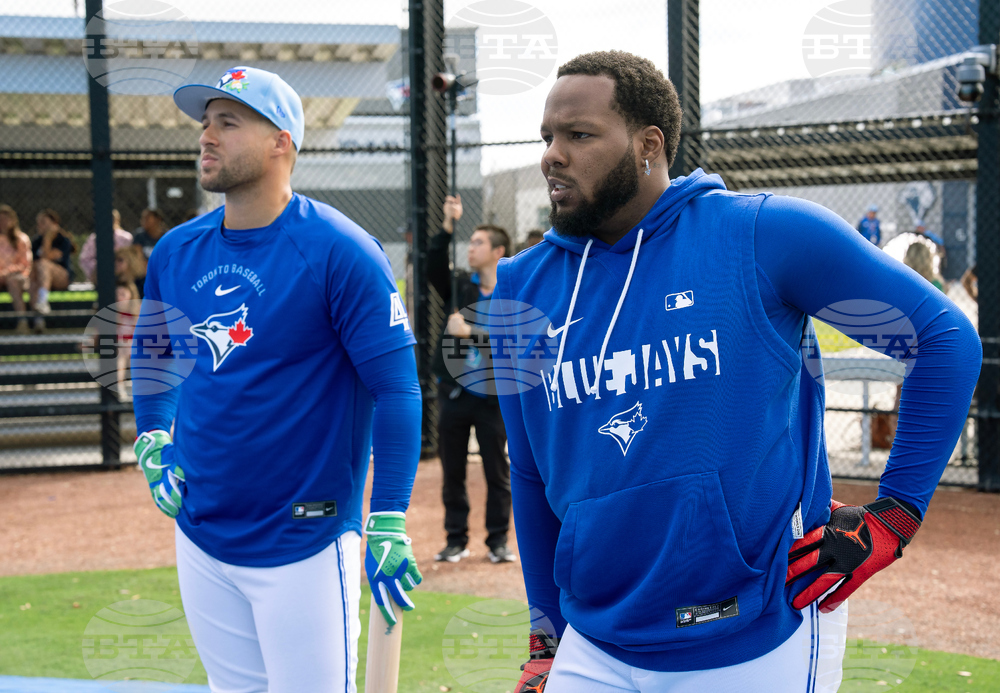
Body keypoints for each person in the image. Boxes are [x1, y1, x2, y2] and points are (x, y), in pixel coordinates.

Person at [488, 51, 981, 693]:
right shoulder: (520, 291)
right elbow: (529, 472)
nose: (553, 154)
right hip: (595, 642)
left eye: (578, 135)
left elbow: (942, 340)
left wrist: (896, 515)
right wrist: (546, 636)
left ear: (648, 145)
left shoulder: (762, 235)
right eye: (547, 137)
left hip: (757, 630)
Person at [131, 65, 423, 691]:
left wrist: (389, 515)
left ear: (281, 142)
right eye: (205, 124)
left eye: (228, 124)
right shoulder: (177, 250)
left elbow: (398, 389)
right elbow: (154, 352)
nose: (207, 137)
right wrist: (152, 435)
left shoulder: (342, 250)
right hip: (202, 531)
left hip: (307, 538)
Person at [427, 192, 516, 564]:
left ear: (498, 251)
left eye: (478, 242)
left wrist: (472, 332)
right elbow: (433, 266)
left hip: (493, 398)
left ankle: (497, 542)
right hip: (456, 395)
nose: (471, 248)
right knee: (453, 472)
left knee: (498, 472)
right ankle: (455, 539)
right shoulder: (461, 288)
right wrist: (449, 223)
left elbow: (515, 342)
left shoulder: (513, 292)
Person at [29, 208, 76, 331]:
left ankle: (42, 301)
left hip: (61, 277)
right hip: (41, 280)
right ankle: (38, 321)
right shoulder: (36, 242)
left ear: (54, 224)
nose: (39, 226)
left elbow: (46, 257)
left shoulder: (63, 240)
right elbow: (33, 264)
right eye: (38, 223)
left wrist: (48, 238)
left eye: (43, 222)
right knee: (33, 280)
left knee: (44, 264)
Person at [78, 209, 134, 284]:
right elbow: (84, 260)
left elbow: (131, 259)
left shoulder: (126, 238)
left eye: (111, 219)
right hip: (100, 275)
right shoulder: (94, 238)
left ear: (117, 221)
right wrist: (103, 266)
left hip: (123, 275)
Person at [0, 204, 32, 333]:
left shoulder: (21, 239)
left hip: (17, 277)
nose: (2, 223)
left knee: (13, 281)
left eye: (5, 219)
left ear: (13, 221)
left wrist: (7, 272)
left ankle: (22, 322)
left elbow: (25, 265)